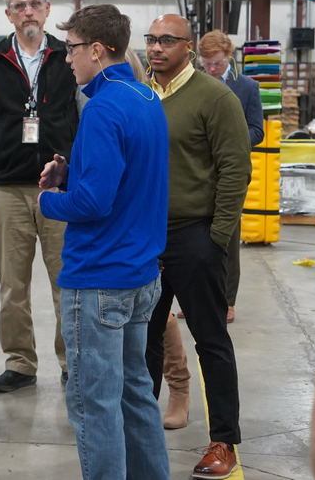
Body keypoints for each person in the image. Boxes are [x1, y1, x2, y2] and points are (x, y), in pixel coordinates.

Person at [38, 4, 170, 480]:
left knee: (94, 404)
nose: (66, 58)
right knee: (135, 391)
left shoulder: (101, 110)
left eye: (71, 48)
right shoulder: (145, 98)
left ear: (96, 49)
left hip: (98, 279)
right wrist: (73, 175)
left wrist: (50, 200)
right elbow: (130, 179)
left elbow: (93, 205)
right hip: (140, 275)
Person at [144, 14, 252, 480]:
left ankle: (223, 441)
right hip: (145, 238)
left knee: (211, 341)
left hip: (195, 236)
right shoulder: (139, 95)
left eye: (167, 40)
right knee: (143, 340)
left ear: (188, 46)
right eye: (151, 39)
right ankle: (140, 433)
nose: (156, 47)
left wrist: (216, 237)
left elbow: (235, 170)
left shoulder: (215, 97)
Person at [0, 0, 81, 392]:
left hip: (61, 191)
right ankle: (20, 363)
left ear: (48, 10)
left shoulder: (69, 58)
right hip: (9, 189)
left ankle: (73, 363)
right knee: (13, 284)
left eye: (35, 4)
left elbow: (85, 117)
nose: (27, 11)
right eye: (19, 5)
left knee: (66, 280)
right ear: (8, 14)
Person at [124, 48, 194, 433]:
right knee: (142, 318)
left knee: (158, 313)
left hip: (163, 220)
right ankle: (140, 402)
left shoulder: (151, 102)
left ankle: (179, 389)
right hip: (127, 222)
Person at [198, 29, 265, 324]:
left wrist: (229, 141)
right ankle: (195, 298)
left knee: (227, 240)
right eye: (207, 64)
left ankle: (226, 301)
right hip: (196, 172)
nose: (212, 70)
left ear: (229, 58)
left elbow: (257, 130)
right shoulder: (192, 85)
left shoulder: (247, 88)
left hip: (228, 173)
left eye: (218, 64)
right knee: (194, 240)